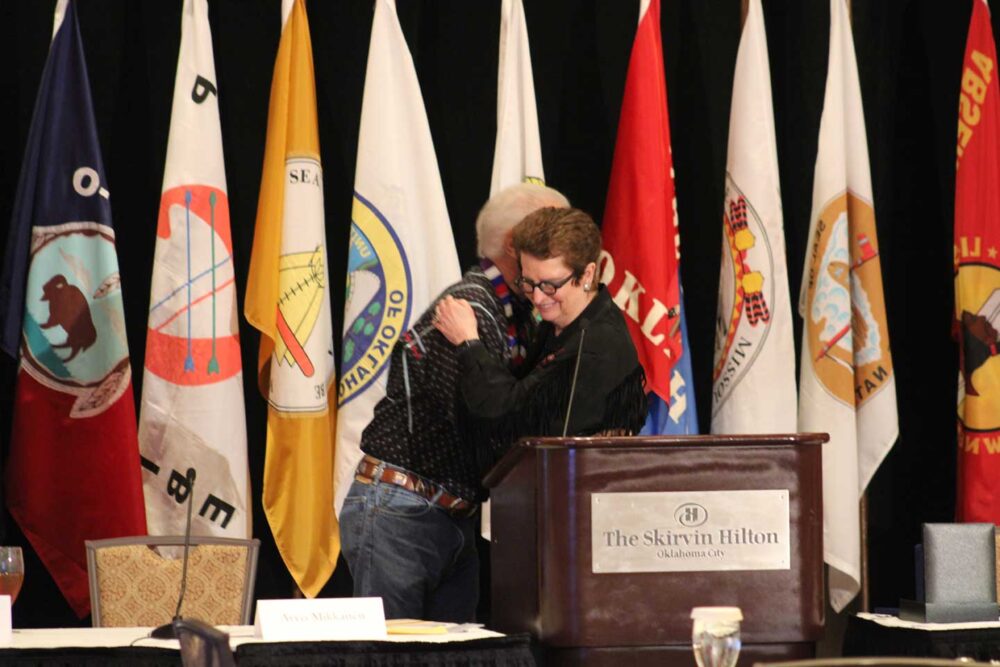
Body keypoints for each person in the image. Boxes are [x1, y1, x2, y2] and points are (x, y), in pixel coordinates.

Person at [339, 183, 570, 623]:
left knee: (453, 652)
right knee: (391, 653)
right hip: (402, 514)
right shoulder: (470, 308)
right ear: (514, 244)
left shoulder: (517, 313)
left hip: (449, 515)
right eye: (553, 232)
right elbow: (482, 423)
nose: (568, 246)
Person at [435, 206, 646, 443]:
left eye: (550, 285)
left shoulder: (597, 347)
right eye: (528, 282)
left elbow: (510, 421)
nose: (537, 298)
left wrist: (468, 342)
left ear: (587, 274)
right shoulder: (564, 320)